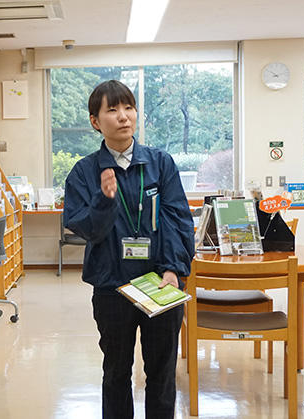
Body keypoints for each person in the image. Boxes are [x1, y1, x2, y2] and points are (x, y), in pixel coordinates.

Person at [63, 80, 194, 419]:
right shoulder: (84, 172)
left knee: (162, 374)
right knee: (116, 372)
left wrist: (173, 269)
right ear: (96, 121)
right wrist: (104, 200)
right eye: (112, 109)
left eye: (128, 107)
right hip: (112, 286)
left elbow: (178, 219)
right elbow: (85, 229)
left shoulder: (161, 164)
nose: (123, 116)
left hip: (160, 283)